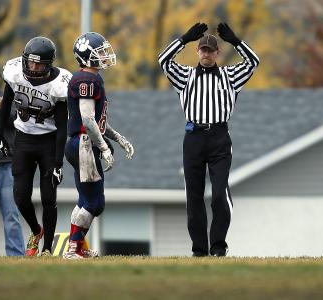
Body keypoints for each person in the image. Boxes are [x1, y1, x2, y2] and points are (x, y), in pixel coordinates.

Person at [158, 23, 259, 257]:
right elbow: (164, 60)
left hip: (219, 138)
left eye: (210, 50)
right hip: (193, 138)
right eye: (202, 49)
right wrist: (184, 39)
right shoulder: (185, 76)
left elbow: (253, 62)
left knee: (219, 193)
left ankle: (218, 247)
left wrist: (235, 41)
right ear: (198, 52)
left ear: (217, 53)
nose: (205, 53)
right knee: (193, 196)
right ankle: (199, 250)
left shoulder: (230, 76)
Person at [0, 37, 71, 257]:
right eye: (31, 63)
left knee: (49, 197)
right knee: (20, 196)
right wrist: (0, 134)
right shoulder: (15, 72)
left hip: (48, 140)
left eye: (40, 64)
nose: (34, 68)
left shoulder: (59, 84)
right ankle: (36, 231)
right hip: (23, 139)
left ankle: (47, 248)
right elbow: (7, 101)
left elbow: (62, 125)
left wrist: (58, 162)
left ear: (49, 64)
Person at [63, 32, 134, 259]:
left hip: (81, 142)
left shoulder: (94, 79)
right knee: (95, 202)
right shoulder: (86, 79)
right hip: (83, 144)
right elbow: (87, 119)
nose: (105, 56)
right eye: (99, 52)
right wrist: (103, 148)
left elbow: (97, 121)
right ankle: (73, 248)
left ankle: (78, 247)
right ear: (86, 56)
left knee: (85, 200)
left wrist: (118, 139)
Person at [0, 62, 25, 256]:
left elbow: (19, 120)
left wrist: (0, 109)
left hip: (5, 164)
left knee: (11, 214)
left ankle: (16, 255)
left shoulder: (9, 97)